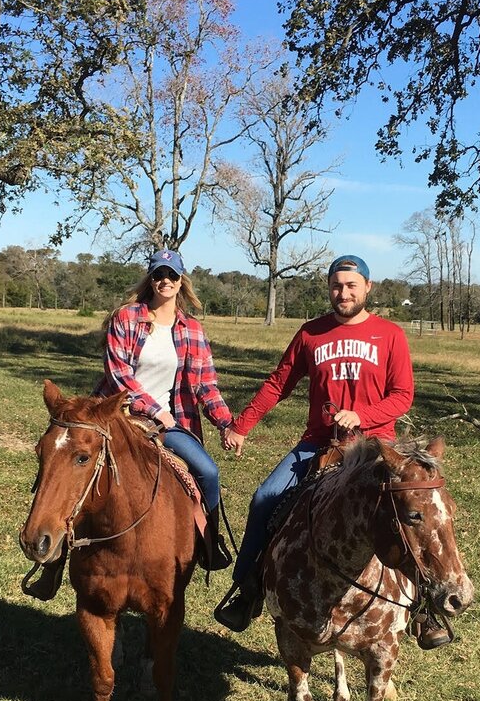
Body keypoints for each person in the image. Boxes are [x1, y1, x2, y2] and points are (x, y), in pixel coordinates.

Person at [215, 255, 450, 647]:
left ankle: (425, 609)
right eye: (337, 286)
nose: (343, 293)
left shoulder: (389, 335)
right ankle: (247, 590)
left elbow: (402, 396)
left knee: (416, 512)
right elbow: (279, 384)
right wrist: (241, 426)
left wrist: (362, 414)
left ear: (367, 288)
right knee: (264, 499)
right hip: (319, 445)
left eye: (351, 285)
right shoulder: (311, 334)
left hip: (378, 448)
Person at [97, 247, 235, 571]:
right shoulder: (127, 317)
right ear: (151, 278)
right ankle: (57, 551)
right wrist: (152, 408)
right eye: (159, 274)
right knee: (72, 461)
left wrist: (226, 423)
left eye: (171, 274)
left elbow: (205, 385)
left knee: (209, 472)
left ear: (181, 280)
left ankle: (209, 542)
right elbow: (118, 374)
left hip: (171, 421)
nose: (165, 280)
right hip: (122, 413)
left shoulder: (193, 330)